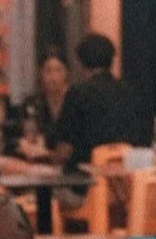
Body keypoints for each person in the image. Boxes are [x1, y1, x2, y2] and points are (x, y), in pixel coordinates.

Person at [51, 33, 144, 169]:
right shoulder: (129, 92)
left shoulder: (78, 93)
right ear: (111, 60)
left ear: (81, 63)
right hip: (123, 176)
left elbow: (64, 152)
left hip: (84, 178)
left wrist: (44, 155)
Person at [18, 51, 71, 160]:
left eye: (58, 70)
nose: (53, 77)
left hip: (67, 159)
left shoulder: (75, 100)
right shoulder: (33, 103)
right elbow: (30, 135)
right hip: (40, 157)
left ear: (67, 73)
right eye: (48, 71)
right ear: (41, 73)